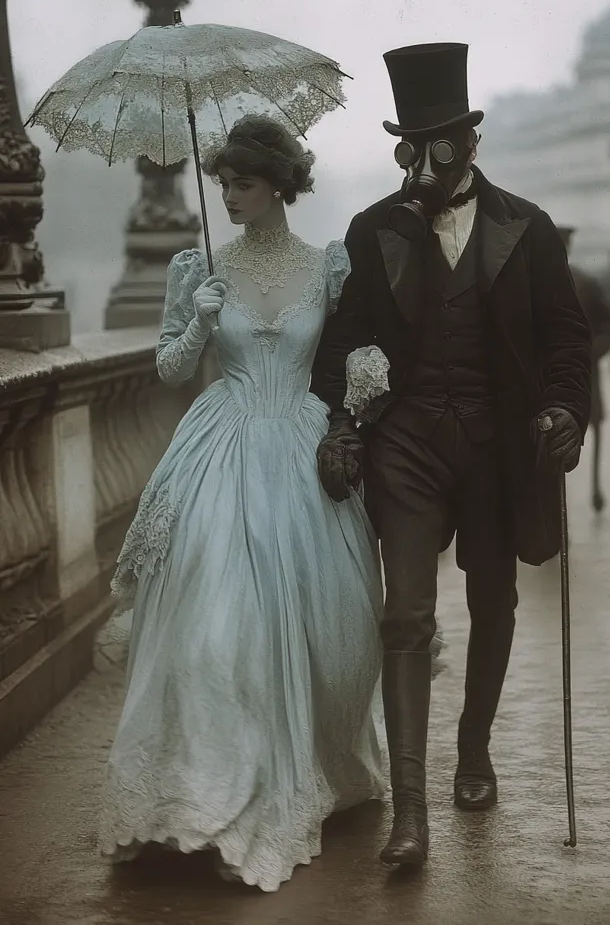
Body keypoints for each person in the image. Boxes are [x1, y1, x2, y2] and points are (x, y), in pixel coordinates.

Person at [311, 43, 592, 867]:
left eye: (442, 144)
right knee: (404, 616)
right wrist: (342, 422)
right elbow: (345, 340)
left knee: (494, 598)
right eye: (412, 145)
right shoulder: (374, 230)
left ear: (471, 144)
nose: (425, 162)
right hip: (406, 444)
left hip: (500, 445)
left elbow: (567, 338)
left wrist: (563, 409)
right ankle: (410, 812)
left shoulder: (526, 228)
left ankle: (473, 747)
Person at [98, 115, 386, 892]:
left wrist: (360, 391)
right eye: (222, 182)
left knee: (316, 625)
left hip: (297, 446)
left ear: (280, 187)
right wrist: (197, 316)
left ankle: (297, 774)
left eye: (243, 184)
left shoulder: (328, 265)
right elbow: (167, 370)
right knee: (212, 626)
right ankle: (201, 796)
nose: (228, 195)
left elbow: (349, 353)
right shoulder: (200, 267)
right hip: (218, 449)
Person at [558, 226, 610, 510]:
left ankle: (596, 486)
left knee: (593, 427)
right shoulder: (527, 282)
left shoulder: (584, 282)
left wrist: (592, 352)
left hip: (584, 375)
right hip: (542, 376)